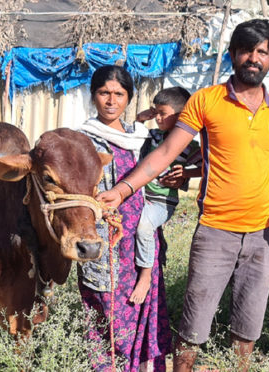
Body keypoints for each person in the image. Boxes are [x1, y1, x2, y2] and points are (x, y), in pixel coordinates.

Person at [97, 19, 269, 372]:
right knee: (193, 325)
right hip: (215, 231)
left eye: (262, 51)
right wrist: (122, 189)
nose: (254, 57)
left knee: (249, 324)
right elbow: (164, 154)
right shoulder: (207, 100)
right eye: (246, 50)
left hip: (264, 233)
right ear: (234, 54)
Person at [77, 65, 172, 371]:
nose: (111, 100)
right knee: (106, 306)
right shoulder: (82, 140)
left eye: (119, 94)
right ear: (93, 96)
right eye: (104, 92)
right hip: (103, 236)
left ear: (129, 98)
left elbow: (164, 164)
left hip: (140, 235)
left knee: (143, 303)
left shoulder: (140, 137)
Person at [129, 87, 201, 305]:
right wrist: (139, 120)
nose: (158, 118)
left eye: (163, 113)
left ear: (181, 116)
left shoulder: (190, 146)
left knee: (144, 227)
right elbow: (130, 141)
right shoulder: (153, 136)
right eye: (155, 112)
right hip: (140, 195)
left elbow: (208, 166)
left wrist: (187, 172)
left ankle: (145, 275)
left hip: (162, 202)